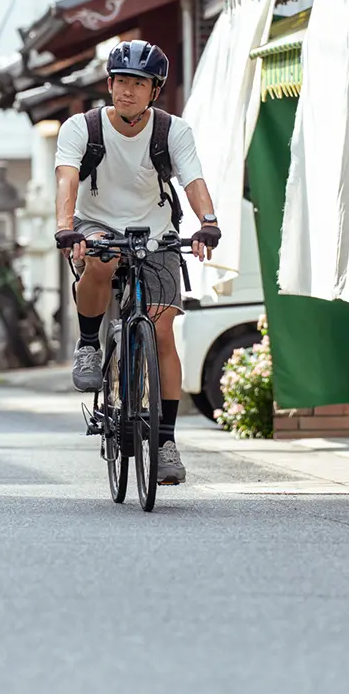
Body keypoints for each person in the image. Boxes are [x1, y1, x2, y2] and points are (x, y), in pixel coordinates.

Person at [53, 40, 220, 485]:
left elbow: (193, 178)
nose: (127, 91)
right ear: (109, 84)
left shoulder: (172, 131)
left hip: (155, 233)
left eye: (138, 84)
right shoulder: (82, 128)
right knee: (102, 260)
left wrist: (208, 221)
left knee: (162, 331)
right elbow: (67, 178)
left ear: (154, 90)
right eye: (121, 81)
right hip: (95, 224)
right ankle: (89, 345)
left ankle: (165, 443)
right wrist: (65, 227)